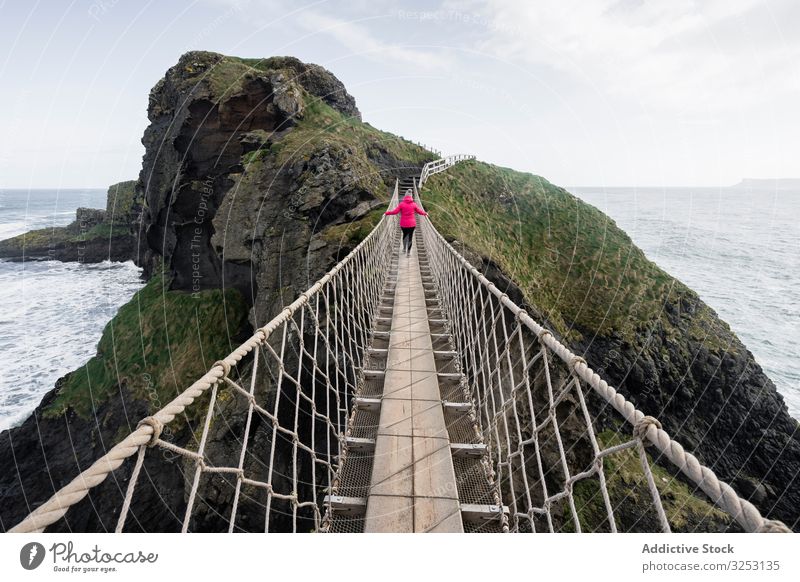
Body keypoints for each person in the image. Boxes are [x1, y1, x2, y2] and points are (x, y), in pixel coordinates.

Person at [384, 189, 428, 257]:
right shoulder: (414, 204)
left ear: (405, 196)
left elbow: (395, 212)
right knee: (410, 238)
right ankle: (408, 253)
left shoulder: (401, 204)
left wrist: (387, 213)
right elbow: (419, 211)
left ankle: (404, 248)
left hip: (403, 224)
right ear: (411, 197)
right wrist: (425, 213)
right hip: (412, 224)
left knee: (405, 236)